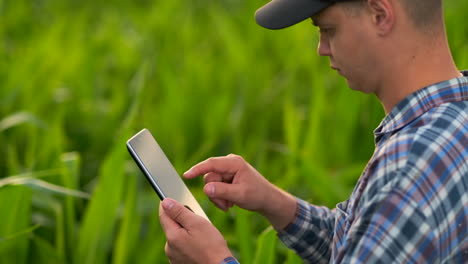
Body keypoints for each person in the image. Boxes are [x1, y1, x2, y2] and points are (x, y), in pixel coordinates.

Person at [158, 0, 468, 263]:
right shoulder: (452, 121)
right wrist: (274, 203)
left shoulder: (407, 169)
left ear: (380, 14)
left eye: (328, 29)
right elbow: (369, 241)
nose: (321, 48)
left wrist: (213, 259)